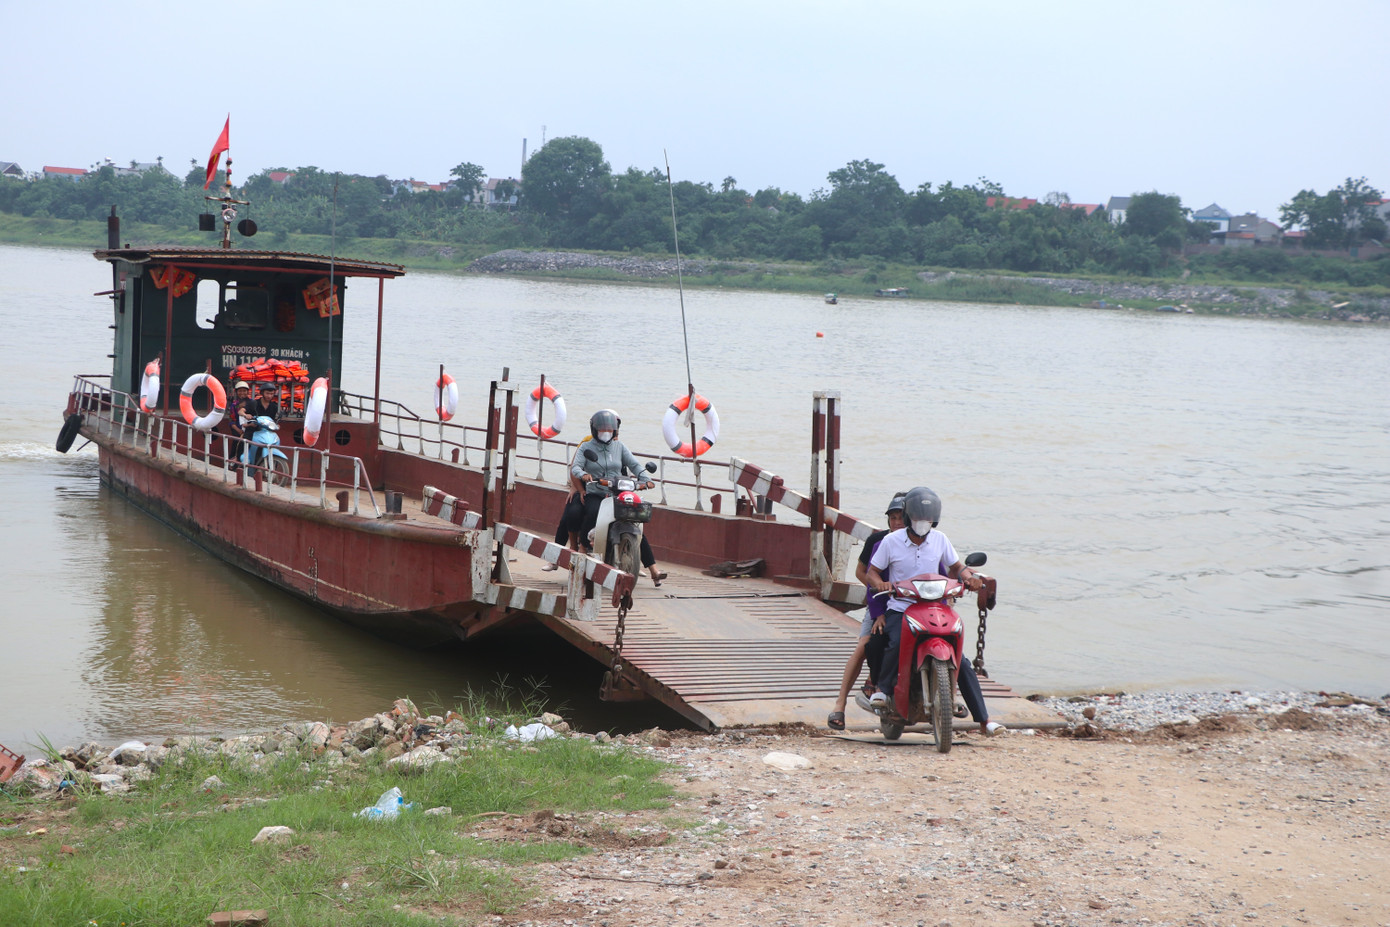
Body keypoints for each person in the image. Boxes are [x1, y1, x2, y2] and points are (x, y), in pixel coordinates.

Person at [866, 486, 1005, 737]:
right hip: (902, 606)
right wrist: (881, 584)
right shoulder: (891, 541)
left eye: (927, 520)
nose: (922, 524)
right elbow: (872, 572)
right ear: (909, 518)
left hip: (935, 606)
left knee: (961, 660)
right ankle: (882, 690)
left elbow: (958, 566)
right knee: (895, 641)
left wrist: (970, 578)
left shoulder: (940, 539)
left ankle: (984, 720)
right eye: (918, 519)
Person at [827, 492, 906, 731]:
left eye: (902, 517)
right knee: (864, 645)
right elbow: (863, 572)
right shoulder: (878, 542)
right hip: (880, 602)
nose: (897, 523)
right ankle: (840, 704)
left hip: (909, 604)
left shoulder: (924, 543)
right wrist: (878, 591)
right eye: (892, 518)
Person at [571, 409, 666, 586]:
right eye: (602, 429)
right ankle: (584, 546)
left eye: (609, 429)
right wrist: (584, 475)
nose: (606, 432)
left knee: (634, 522)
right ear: (594, 429)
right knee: (592, 512)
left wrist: (646, 479)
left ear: (614, 430)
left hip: (618, 492)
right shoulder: (586, 447)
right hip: (597, 491)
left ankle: (653, 569)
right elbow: (575, 467)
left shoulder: (619, 447)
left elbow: (635, 465)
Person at [242, 382, 281, 468]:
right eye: (267, 393)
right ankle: (240, 460)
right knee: (245, 442)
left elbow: (274, 420)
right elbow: (241, 411)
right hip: (253, 429)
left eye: (272, 394)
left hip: (266, 431)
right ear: (262, 393)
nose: (269, 396)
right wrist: (246, 415)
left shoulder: (274, 406)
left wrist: (276, 425)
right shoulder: (254, 403)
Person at [227, 380, 253, 469]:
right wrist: (239, 430)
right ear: (236, 392)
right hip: (237, 430)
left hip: (249, 429)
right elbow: (232, 420)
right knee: (236, 445)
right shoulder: (234, 405)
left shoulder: (252, 403)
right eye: (240, 391)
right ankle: (232, 466)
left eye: (244, 391)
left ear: (247, 391)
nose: (242, 393)